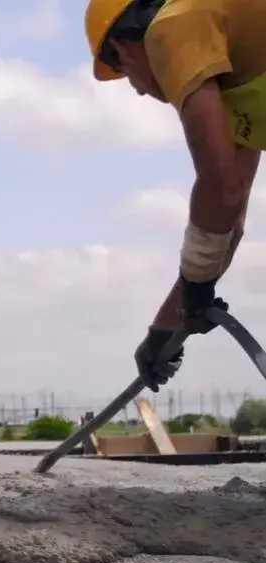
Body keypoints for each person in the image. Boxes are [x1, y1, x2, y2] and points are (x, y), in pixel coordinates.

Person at [85, 0, 266, 392]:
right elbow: (229, 216)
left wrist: (197, 286)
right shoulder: (236, 78)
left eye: (122, 73)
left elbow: (221, 184)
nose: (135, 90)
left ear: (123, 47)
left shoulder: (172, 26)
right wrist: (166, 326)